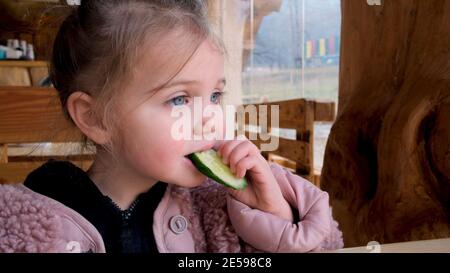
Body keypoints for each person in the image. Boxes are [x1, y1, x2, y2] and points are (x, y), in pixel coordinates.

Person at [0, 0, 343, 253]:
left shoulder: (217, 211)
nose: (210, 117)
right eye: (179, 99)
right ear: (95, 118)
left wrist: (271, 213)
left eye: (215, 96)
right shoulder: (24, 229)